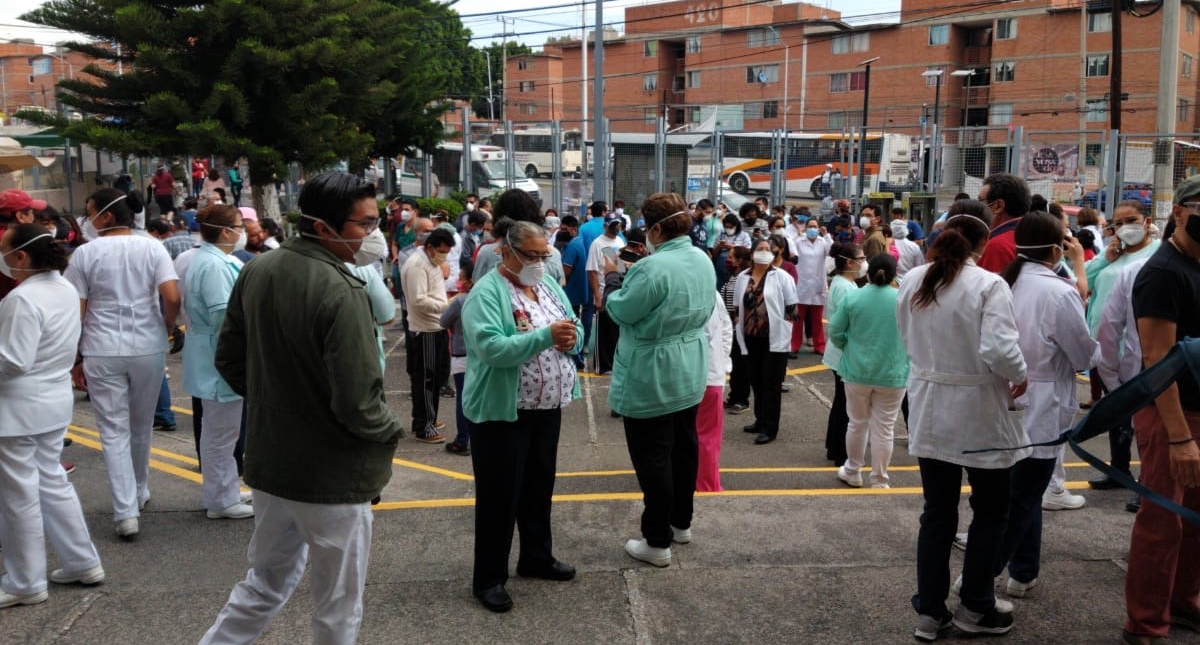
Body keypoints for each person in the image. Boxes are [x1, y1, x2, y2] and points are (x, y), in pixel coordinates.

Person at [199, 171, 402, 645]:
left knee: (264, 581)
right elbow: (358, 402)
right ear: (324, 226)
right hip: (331, 475)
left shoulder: (258, 268)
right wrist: (390, 432)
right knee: (338, 604)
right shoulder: (341, 290)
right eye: (366, 224)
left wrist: (278, 403)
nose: (375, 235)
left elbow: (229, 358)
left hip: (273, 463)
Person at [896, 199, 1028, 640]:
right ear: (985, 240)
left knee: (937, 512)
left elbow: (904, 334)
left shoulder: (914, 278)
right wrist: (1021, 374)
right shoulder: (988, 285)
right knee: (991, 511)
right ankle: (976, 604)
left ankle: (930, 610)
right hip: (977, 408)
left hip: (929, 402)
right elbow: (1000, 350)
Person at [461, 221, 582, 613]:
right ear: (505, 251)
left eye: (543, 254)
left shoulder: (547, 287)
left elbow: (574, 327)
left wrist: (572, 337)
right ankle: (489, 578)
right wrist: (547, 336)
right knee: (500, 497)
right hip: (503, 414)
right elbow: (492, 348)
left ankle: (536, 556)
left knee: (538, 488)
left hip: (545, 409)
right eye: (531, 255)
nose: (539, 262)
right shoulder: (487, 293)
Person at [606, 192, 715, 567]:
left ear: (654, 228)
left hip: (653, 368)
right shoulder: (702, 257)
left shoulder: (651, 268)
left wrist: (613, 284)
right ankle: (681, 522)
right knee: (684, 448)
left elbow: (622, 311)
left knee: (654, 457)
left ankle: (657, 539)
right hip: (690, 363)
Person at [994, 211, 1098, 601]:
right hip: (1042, 402)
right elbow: (1081, 354)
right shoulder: (1059, 291)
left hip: (1003, 398)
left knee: (1014, 494)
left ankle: (1023, 571)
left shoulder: (1003, 282)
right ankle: (988, 575)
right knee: (1023, 497)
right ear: (1056, 249)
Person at [65, 188, 180, 539]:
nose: (88, 219)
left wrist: (75, 356)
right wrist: (167, 326)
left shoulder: (85, 253)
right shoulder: (152, 247)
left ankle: (125, 511)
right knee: (142, 424)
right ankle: (140, 490)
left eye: (90, 212)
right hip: (146, 346)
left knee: (112, 431)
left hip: (101, 348)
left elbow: (77, 311)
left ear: (107, 216)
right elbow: (172, 296)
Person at [0, 225, 104, 609]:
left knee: (18, 496)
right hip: (51, 401)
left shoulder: (22, 299)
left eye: (4, 251)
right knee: (52, 482)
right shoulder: (62, 287)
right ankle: (82, 561)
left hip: (18, 408)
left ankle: (25, 582)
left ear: (21, 257)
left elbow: (12, 360)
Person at [1121, 177, 1200, 645]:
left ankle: (1183, 600)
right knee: (1162, 521)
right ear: (1179, 212)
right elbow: (1157, 359)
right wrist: (1179, 437)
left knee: (1192, 520)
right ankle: (1146, 623)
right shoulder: (1163, 273)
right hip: (1175, 417)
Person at [183, 204, 254, 521]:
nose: (243, 232)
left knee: (220, 433)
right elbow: (225, 317)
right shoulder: (213, 265)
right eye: (239, 225)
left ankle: (222, 491)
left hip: (212, 354)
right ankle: (221, 499)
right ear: (225, 231)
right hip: (219, 357)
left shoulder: (213, 260)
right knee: (221, 433)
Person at [1084, 201, 1159, 493]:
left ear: (1146, 221)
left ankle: (1149, 481)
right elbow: (1084, 280)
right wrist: (1107, 258)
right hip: (1105, 347)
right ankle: (1119, 469)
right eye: (1119, 222)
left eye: (1133, 220)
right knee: (1117, 412)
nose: (1126, 227)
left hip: (1137, 348)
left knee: (1146, 420)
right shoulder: (1111, 255)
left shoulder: (1154, 257)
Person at [829, 253, 908, 489]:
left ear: (869, 273)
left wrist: (848, 345)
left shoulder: (854, 297)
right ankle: (880, 478)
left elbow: (835, 330)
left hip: (857, 371)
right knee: (885, 428)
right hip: (893, 373)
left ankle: (853, 470)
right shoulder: (903, 300)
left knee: (857, 423)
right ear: (895, 274)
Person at [734, 239, 799, 446]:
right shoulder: (742, 277)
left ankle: (770, 428)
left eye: (767, 249)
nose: (764, 251)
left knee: (771, 384)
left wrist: (784, 331)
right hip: (750, 337)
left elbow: (792, 309)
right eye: (760, 249)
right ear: (752, 254)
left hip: (774, 339)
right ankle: (760, 420)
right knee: (755, 380)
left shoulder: (782, 277)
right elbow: (737, 307)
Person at [400, 226, 456, 443]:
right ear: (430, 247)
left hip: (436, 327)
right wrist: (447, 306)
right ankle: (425, 426)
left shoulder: (430, 261)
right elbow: (418, 300)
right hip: (426, 331)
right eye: (441, 251)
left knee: (437, 377)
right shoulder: (417, 265)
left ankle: (426, 418)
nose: (444, 256)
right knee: (427, 380)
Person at [822, 242, 863, 466]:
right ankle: (839, 451)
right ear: (849, 262)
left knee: (841, 402)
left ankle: (833, 446)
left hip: (839, 351)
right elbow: (846, 323)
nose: (864, 263)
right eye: (861, 258)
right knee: (845, 405)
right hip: (843, 352)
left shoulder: (843, 283)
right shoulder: (845, 287)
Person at [696, 289, 732, 492]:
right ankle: (707, 483)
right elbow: (726, 328)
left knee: (700, 435)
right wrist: (722, 360)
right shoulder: (712, 293)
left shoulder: (693, 293)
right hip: (712, 375)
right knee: (708, 436)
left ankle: (705, 483)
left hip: (699, 376)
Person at [440, 265, 474, 457]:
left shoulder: (459, 302)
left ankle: (463, 440)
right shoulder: (489, 298)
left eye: (461, 277)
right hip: (483, 355)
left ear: (469, 280)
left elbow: (443, 322)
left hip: (461, 354)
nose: (459, 281)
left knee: (463, 398)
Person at [977, 173, 1032, 272]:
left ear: (999, 206)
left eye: (981, 201)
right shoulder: (1033, 235)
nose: (978, 207)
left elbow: (990, 287)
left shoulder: (996, 246)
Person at [793, 217, 832, 355]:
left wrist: (826, 235)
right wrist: (799, 233)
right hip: (802, 285)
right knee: (797, 319)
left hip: (817, 285)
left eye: (815, 226)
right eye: (810, 226)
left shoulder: (823, 242)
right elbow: (791, 252)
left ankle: (819, 345)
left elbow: (832, 251)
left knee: (817, 320)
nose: (812, 229)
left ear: (819, 228)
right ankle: (794, 345)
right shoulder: (799, 241)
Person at [722, 247, 753, 415]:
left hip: (739, 328)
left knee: (742, 365)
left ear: (740, 260)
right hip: (729, 327)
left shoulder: (745, 278)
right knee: (734, 364)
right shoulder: (733, 277)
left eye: (732, 257)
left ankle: (742, 399)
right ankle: (734, 396)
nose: (728, 260)